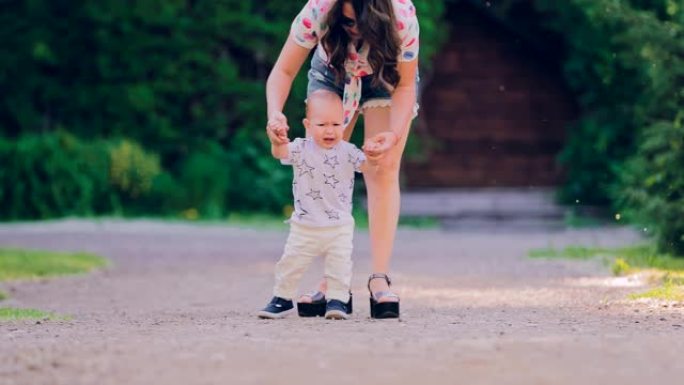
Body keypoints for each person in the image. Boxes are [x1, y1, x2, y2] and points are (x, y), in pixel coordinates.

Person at [265, 0, 420, 319]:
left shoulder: (402, 19)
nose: (353, 30)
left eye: (359, 23)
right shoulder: (319, 10)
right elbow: (283, 69)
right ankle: (332, 283)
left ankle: (379, 279)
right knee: (325, 165)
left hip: (386, 75)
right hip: (332, 71)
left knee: (384, 168)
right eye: (346, 23)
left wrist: (392, 134)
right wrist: (274, 114)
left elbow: (405, 85)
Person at [258, 90, 375, 320]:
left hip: (339, 226)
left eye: (336, 124)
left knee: (339, 266)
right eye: (322, 124)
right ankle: (282, 298)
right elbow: (280, 152)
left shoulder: (349, 152)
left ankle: (337, 300)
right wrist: (275, 140)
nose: (330, 130)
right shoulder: (301, 148)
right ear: (308, 124)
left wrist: (374, 154)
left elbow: (368, 167)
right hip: (305, 225)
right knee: (290, 263)